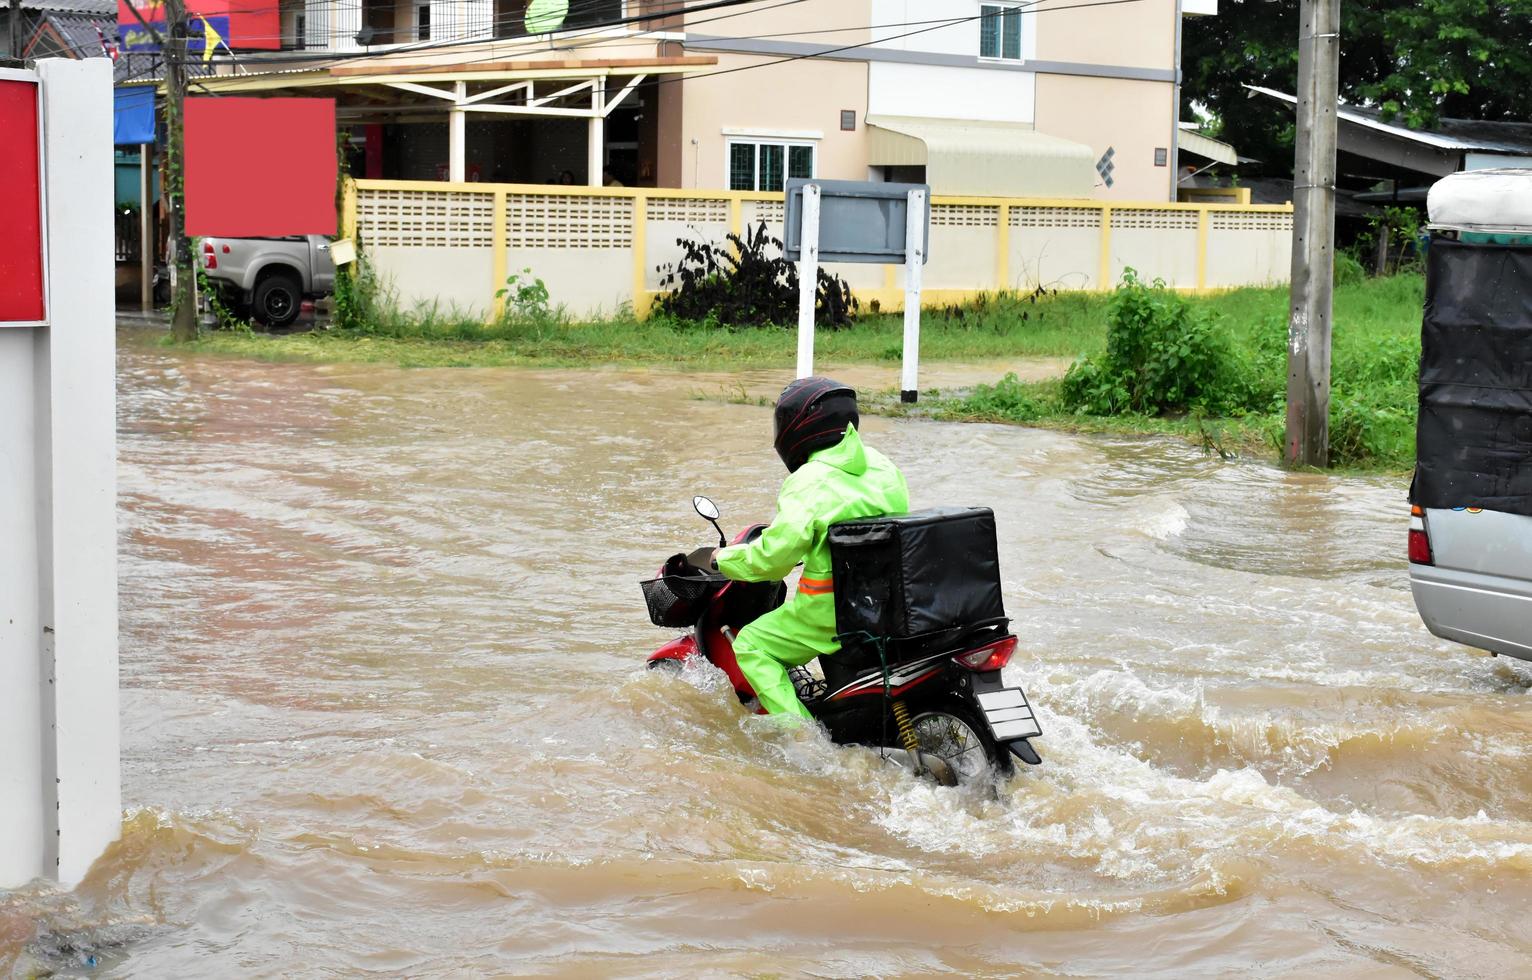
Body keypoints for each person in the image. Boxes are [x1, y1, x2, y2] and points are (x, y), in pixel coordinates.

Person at [688, 378, 909, 718]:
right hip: (889, 602)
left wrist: (722, 559)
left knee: (751, 644)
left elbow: (773, 560)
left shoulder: (809, 479)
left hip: (831, 613)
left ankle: (801, 737)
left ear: (797, 428)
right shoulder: (882, 465)